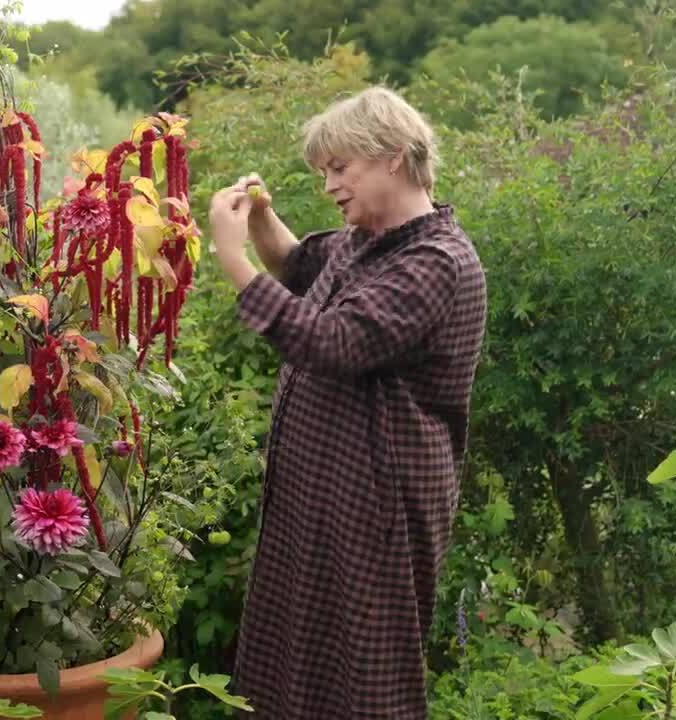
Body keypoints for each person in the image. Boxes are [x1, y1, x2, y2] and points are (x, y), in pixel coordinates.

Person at [207, 85, 487, 718]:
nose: (329, 184)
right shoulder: (369, 240)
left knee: (363, 678)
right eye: (323, 171)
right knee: (296, 662)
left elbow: (330, 341)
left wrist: (229, 255)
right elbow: (305, 267)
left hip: (378, 506)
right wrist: (259, 222)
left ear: (391, 156)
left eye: (339, 167)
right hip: (324, 494)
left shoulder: (436, 262)